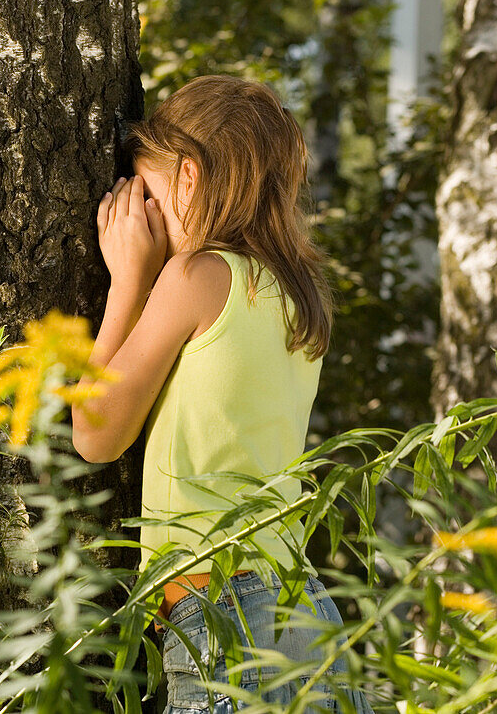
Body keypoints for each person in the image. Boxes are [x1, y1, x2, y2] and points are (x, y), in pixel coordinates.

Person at [71, 76, 372, 712]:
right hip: (301, 596)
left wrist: (129, 281)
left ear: (188, 176)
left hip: (222, 603)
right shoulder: (297, 293)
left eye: (148, 195)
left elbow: (95, 435)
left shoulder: (194, 276)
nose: (145, 218)